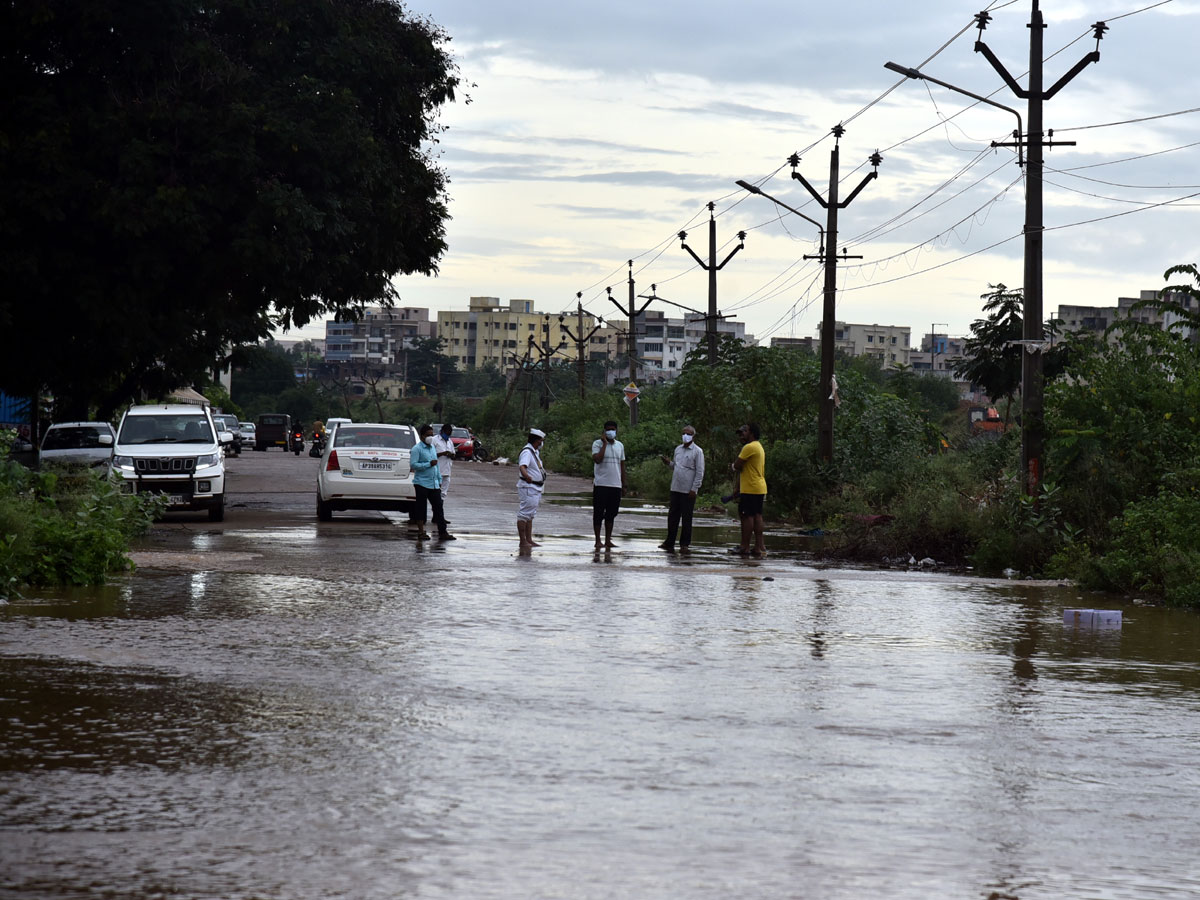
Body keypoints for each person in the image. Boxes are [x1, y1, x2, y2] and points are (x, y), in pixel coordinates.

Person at [658, 424, 705, 552]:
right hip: (675, 488)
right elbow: (677, 467)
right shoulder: (678, 449)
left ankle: (684, 544)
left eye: (689, 434)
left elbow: (700, 472)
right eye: (684, 433)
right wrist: (669, 463)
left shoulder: (697, 451)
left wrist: (694, 489)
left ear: (693, 436)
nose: (686, 436)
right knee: (673, 516)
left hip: (688, 490)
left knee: (686, 517)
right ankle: (669, 542)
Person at [410, 424, 455, 541]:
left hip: (434, 483)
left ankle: (443, 532)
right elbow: (414, 465)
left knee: (438, 508)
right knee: (421, 508)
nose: (430, 437)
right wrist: (428, 464)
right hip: (421, 483)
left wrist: (439, 480)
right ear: (422, 436)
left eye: (432, 435)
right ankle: (421, 532)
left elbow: (436, 467)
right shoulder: (417, 449)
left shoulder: (432, 448)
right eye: (428, 435)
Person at [731, 422, 766, 557]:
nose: (741, 436)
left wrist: (733, 466)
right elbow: (746, 469)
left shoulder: (749, 447)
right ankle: (759, 547)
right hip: (758, 487)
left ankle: (744, 546)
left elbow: (738, 465)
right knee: (757, 516)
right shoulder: (758, 446)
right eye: (739, 433)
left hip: (751, 488)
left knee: (746, 517)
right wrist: (738, 487)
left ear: (751, 433)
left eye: (743, 432)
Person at [591, 419, 625, 549]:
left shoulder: (620, 446)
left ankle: (608, 540)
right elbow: (597, 459)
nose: (611, 432)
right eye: (608, 429)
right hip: (601, 484)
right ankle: (598, 540)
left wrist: (624, 484)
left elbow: (622, 465)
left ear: (617, 431)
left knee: (612, 513)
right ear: (604, 431)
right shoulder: (597, 444)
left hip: (615, 485)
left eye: (613, 429)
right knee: (598, 513)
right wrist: (604, 444)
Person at [517, 428, 546, 550]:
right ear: (537, 441)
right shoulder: (527, 452)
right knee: (524, 514)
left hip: (536, 487)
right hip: (529, 486)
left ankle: (529, 539)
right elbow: (522, 466)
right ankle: (523, 540)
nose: (542, 443)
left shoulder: (534, 452)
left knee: (530, 515)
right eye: (541, 440)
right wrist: (527, 476)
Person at [432, 422, 455, 502]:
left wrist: (451, 455)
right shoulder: (434, 440)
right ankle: (436, 503)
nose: (447, 436)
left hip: (447, 470)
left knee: (444, 492)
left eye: (449, 434)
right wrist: (443, 453)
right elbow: (430, 455)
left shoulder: (450, 441)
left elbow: (454, 454)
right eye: (447, 433)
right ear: (442, 431)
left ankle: (441, 503)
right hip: (437, 469)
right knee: (436, 490)